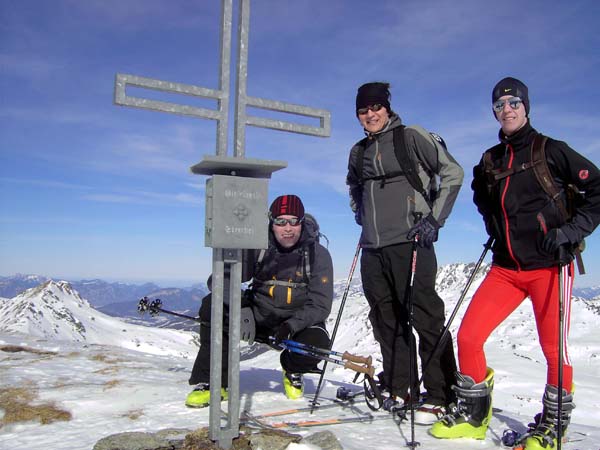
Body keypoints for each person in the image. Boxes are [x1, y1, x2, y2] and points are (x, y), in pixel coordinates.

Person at [430, 77, 600, 448]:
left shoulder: (552, 150)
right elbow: (480, 192)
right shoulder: (491, 159)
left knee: (555, 350)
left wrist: (571, 231)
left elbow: (597, 189)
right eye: (499, 105)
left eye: (513, 103)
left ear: (526, 107)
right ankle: (475, 415)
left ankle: (553, 427)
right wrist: (495, 224)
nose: (506, 109)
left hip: (550, 265)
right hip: (506, 268)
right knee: (470, 335)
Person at [346, 82, 464, 424]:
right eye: (363, 111)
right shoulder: (358, 151)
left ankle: (442, 393)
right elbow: (353, 185)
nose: (370, 115)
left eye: (375, 108)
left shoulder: (410, 136)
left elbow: (452, 173)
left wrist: (433, 220)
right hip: (372, 248)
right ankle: (403, 387)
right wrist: (360, 213)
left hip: (411, 241)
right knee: (386, 319)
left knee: (425, 316)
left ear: (387, 108)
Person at [186, 194, 334, 407]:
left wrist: (291, 325)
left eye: (294, 221)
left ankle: (292, 369)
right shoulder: (257, 247)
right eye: (281, 221)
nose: (288, 228)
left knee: (317, 345)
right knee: (213, 306)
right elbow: (219, 280)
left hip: (297, 321)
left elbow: (320, 303)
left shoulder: (317, 254)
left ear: (302, 222)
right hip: (258, 315)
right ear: (271, 222)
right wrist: (242, 306)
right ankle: (213, 381)